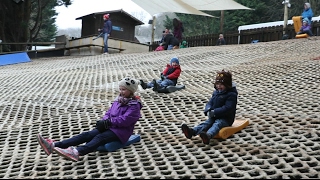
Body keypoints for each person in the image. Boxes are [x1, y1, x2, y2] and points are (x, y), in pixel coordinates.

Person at [36, 77, 142, 162]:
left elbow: (126, 120)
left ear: (131, 91)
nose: (121, 91)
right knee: (87, 135)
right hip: (110, 127)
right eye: (120, 89)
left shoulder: (134, 105)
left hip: (121, 132)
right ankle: (53, 145)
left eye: (124, 90)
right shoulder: (119, 100)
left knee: (100, 137)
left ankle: (77, 152)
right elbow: (109, 112)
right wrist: (104, 121)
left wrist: (109, 122)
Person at [181, 70, 238, 145]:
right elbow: (210, 102)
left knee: (217, 124)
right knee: (206, 123)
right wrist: (208, 109)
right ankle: (192, 131)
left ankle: (208, 135)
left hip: (226, 119)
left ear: (227, 85)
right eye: (217, 84)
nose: (219, 86)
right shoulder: (216, 92)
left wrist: (215, 112)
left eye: (221, 85)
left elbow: (228, 108)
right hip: (214, 116)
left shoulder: (231, 94)